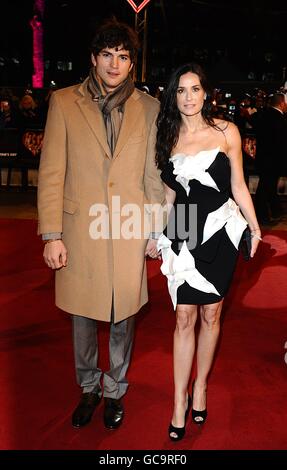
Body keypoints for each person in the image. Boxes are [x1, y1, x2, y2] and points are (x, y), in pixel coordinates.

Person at [37, 18, 165, 430]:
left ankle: (115, 389)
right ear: (94, 58)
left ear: (132, 64)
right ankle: (88, 386)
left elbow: (153, 176)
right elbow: (52, 171)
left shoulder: (150, 108)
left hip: (127, 228)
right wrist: (52, 234)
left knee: (124, 315)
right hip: (80, 230)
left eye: (123, 56)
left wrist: (155, 229)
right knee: (82, 317)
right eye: (107, 55)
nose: (115, 64)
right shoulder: (63, 102)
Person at [155, 63, 261, 441]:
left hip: (221, 228)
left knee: (212, 313)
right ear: (173, 96)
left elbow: (238, 184)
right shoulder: (166, 136)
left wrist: (254, 224)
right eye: (180, 90)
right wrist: (156, 233)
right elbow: (169, 194)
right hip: (182, 226)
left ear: (205, 93)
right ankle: (180, 402)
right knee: (184, 317)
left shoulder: (226, 131)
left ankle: (201, 387)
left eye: (194, 89)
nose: (188, 97)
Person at [253, 93, 287, 225]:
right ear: (281, 104)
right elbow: (281, 143)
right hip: (273, 161)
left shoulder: (264, 115)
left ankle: (276, 211)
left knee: (269, 188)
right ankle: (262, 217)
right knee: (265, 188)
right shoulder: (279, 119)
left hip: (264, 159)